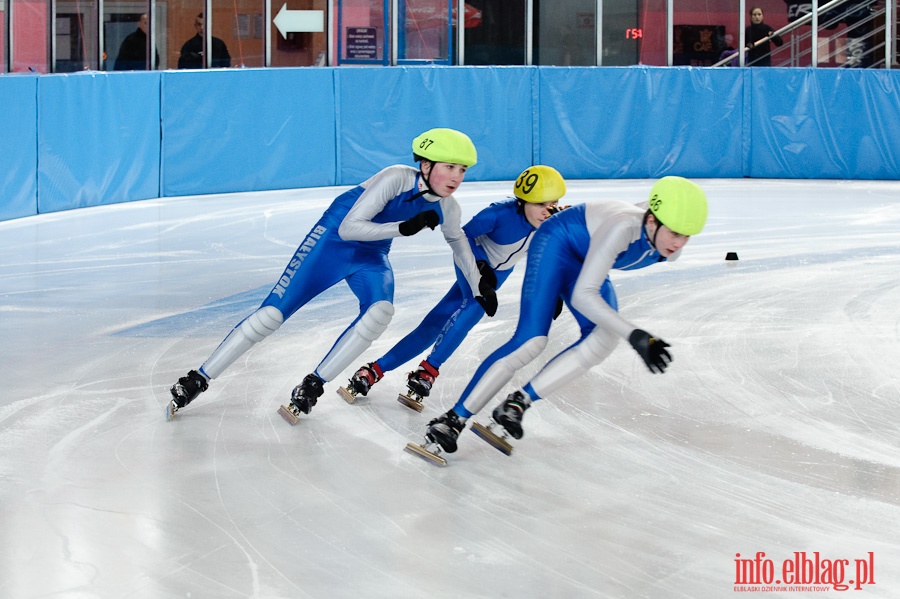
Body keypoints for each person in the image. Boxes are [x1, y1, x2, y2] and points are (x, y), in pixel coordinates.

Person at [167, 128, 495, 424]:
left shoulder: (449, 207)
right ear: (426, 165)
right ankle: (198, 378)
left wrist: (480, 285)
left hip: (371, 254)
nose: (456, 177)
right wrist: (403, 227)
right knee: (271, 315)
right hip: (331, 242)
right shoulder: (396, 177)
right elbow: (349, 227)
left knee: (380, 312)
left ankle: (314, 384)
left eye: (462, 169)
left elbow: (459, 244)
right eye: (449, 167)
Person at [411, 176, 708, 460]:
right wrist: (637, 335)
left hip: (587, 257)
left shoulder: (666, 242)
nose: (679, 243)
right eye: (675, 233)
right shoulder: (623, 228)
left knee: (603, 338)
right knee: (531, 340)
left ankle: (516, 404)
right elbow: (583, 296)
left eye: (687, 236)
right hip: (557, 242)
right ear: (653, 221)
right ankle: (452, 420)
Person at [341, 165, 567, 411]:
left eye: (552, 203)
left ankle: (374, 370)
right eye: (540, 204)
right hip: (472, 261)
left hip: (498, 274)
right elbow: (463, 238)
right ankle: (428, 371)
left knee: (436, 322)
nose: (548, 210)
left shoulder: (553, 221)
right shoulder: (498, 215)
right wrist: (477, 269)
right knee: (475, 306)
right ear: (523, 201)